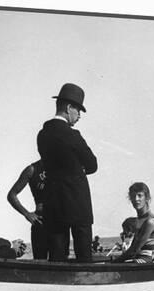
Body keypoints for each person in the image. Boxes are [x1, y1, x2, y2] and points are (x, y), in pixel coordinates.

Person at [37, 83, 98, 262]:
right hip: (78, 203)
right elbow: (93, 165)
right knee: (84, 257)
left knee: (56, 256)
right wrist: (77, 170)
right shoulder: (72, 135)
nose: (79, 116)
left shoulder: (42, 134)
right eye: (78, 110)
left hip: (53, 204)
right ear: (69, 107)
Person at [7, 160, 49, 259]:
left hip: (60, 223)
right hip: (41, 222)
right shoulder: (32, 169)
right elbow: (12, 195)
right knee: (40, 263)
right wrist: (26, 214)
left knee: (60, 262)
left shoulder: (64, 166)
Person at [114, 182, 154, 263]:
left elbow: (133, 250)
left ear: (147, 198)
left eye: (140, 195)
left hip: (152, 260)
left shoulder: (151, 222)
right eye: (133, 196)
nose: (136, 199)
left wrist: (114, 263)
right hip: (139, 258)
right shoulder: (136, 221)